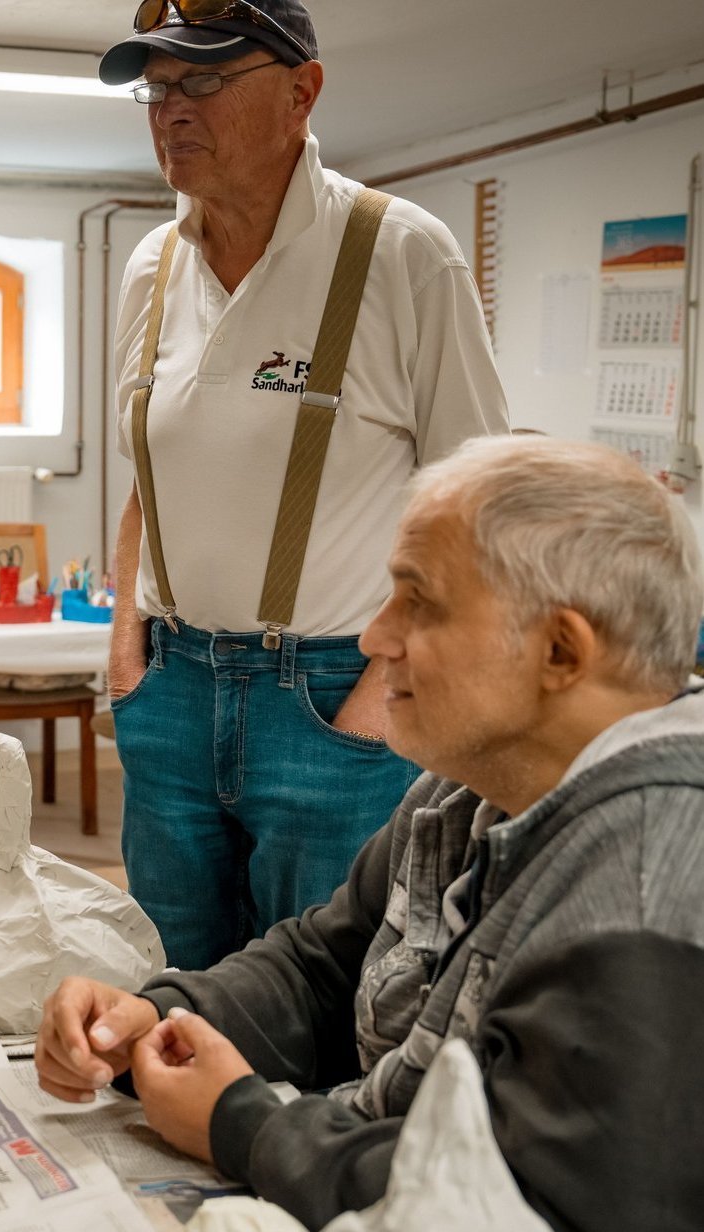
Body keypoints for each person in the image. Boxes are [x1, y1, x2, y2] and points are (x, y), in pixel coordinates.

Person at [38, 436, 704, 1232]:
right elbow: (323, 965)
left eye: (416, 604)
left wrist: (246, 1125)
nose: (373, 638)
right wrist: (158, 1012)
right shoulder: (466, 790)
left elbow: (525, 1222)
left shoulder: (649, 877)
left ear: (562, 652)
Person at [98, 0, 508, 969]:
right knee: (169, 996)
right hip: (169, 693)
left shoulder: (403, 255)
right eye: (154, 90)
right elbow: (148, 477)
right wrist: (124, 648)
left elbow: (481, 509)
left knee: (318, 1013)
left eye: (200, 79)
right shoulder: (149, 268)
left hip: (330, 704)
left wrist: (378, 694)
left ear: (300, 91)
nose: (169, 110)